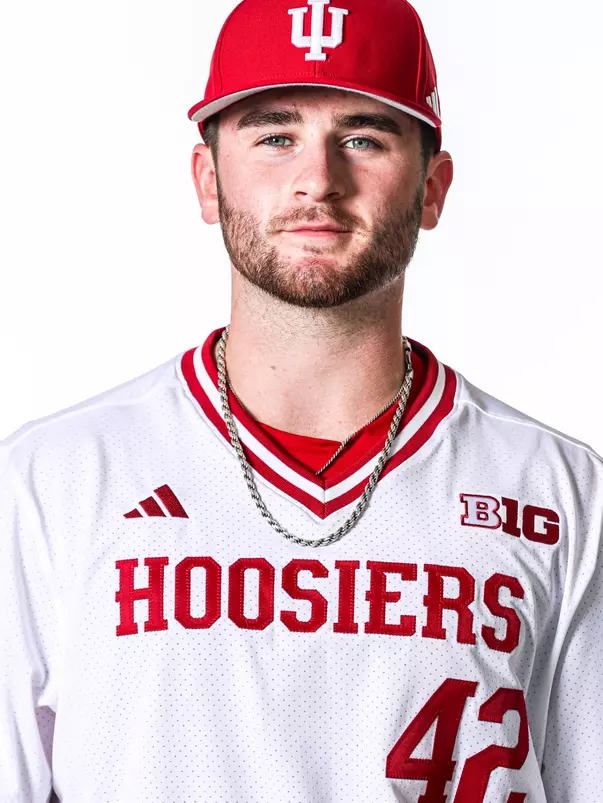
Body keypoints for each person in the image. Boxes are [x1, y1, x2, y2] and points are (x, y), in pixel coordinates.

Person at [1, 0, 602, 800]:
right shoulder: (53, 480)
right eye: (275, 135)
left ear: (431, 188)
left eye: (362, 137)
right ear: (208, 181)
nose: (317, 179)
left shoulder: (560, 490)